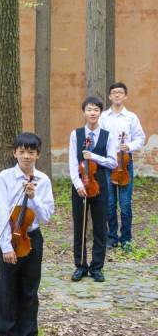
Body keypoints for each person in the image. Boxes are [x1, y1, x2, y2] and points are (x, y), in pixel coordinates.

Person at [0, 133, 55, 336]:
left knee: (29, 292)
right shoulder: (5, 177)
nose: (26, 156)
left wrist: (34, 197)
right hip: (9, 236)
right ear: (15, 153)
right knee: (7, 292)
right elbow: (1, 211)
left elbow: (46, 216)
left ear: (37, 154)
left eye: (31, 152)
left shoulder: (43, 180)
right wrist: (6, 246)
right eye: (22, 151)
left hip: (32, 238)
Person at [69, 97, 117, 283]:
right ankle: (80, 266)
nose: (92, 113)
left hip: (100, 186)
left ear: (100, 113)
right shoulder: (76, 134)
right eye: (89, 109)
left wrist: (94, 157)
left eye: (96, 110)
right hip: (80, 185)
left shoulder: (108, 135)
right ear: (84, 112)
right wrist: (78, 185)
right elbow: (73, 162)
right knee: (79, 226)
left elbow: (113, 162)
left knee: (100, 227)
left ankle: (97, 267)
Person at [99, 82, 146, 251]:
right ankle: (112, 237)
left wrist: (129, 146)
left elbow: (140, 138)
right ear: (110, 96)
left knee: (125, 204)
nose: (117, 95)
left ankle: (126, 239)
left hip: (125, 163)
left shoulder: (131, 117)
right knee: (110, 203)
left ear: (125, 96)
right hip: (108, 163)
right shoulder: (103, 117)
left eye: (120, 92)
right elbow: (99, 137)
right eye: (114, 92)